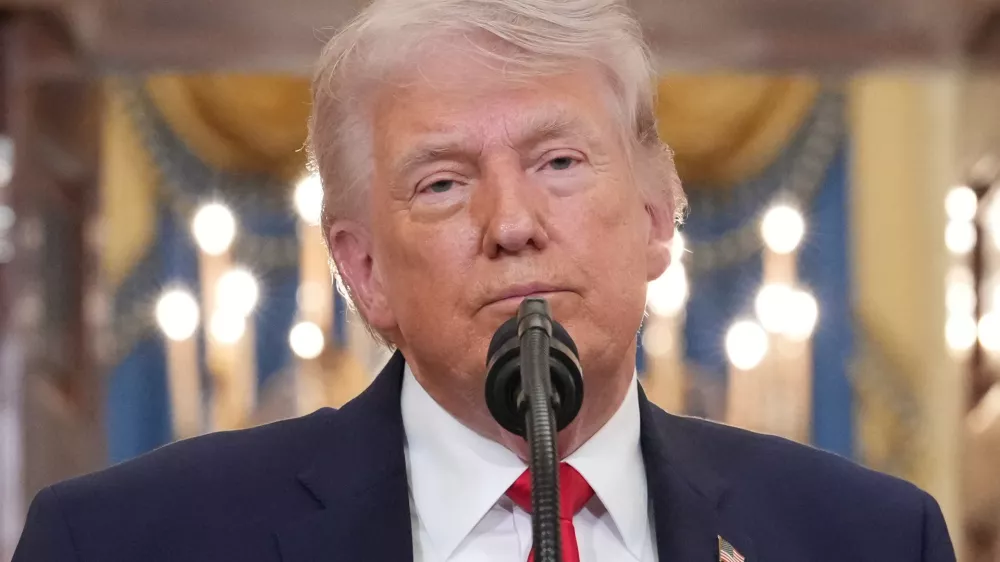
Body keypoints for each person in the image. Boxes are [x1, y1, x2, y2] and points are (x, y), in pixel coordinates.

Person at [15, 0, 956, 561]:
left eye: (560, 162)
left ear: (655, 215)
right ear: (363, 271)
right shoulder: (124, 542)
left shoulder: (867, 539)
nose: (511, 223)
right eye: (442, 183)